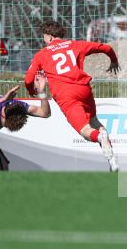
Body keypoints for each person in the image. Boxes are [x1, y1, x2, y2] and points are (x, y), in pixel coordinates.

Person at [24, 20, 120, 171]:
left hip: (66, 95)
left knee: (85, 131)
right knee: (94, 122)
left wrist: (32, 91)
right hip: (84, 90)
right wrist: (113, 61)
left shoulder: (41, 55)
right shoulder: (76, 45)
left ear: (49, 37)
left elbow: (28, 79)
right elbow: (106, 48)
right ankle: (112, 160)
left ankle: (100, 138)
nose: (44, 40)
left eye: (44, 37)